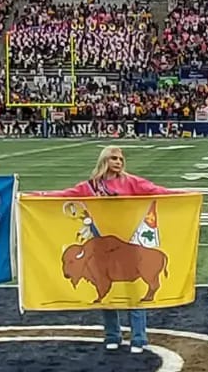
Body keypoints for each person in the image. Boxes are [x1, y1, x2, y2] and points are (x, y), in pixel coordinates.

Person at [32, 144, 181, 354]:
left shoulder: (132, 182)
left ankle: (139, 338)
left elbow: (157, 191)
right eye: (114, 158)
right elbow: (65, 195)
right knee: (104, 289)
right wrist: (37, 196)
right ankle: (112, 335)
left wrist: (185, 194)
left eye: (120, 159)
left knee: (135, 291)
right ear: (104, 161)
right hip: (102, 244)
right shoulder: (90, 186)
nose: (118, 162)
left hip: (128, 244)